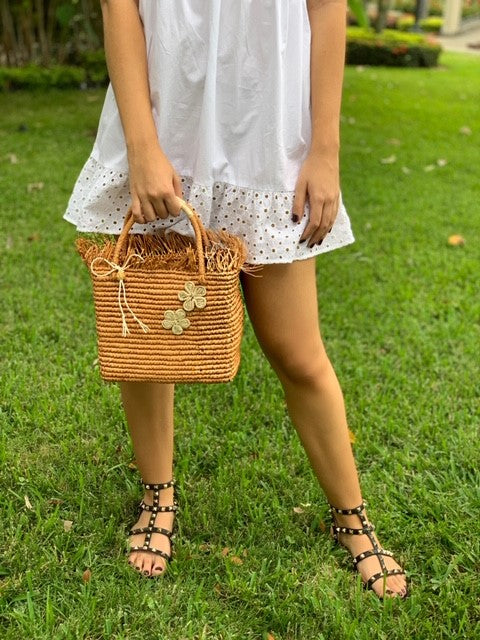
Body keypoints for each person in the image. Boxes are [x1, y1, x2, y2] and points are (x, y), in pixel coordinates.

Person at [64, 0, 408, 599]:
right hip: (165, 124)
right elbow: (121, 7)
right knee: (152, 333)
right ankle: (158, 495)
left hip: (269, 135)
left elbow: (327, 8)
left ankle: (352, 516)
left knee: (297, 350)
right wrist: (142, 146)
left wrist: (325, 150)